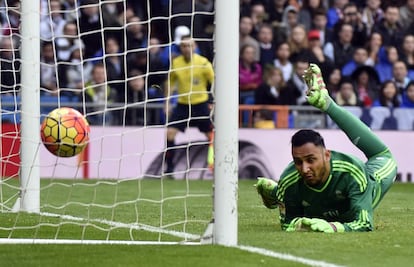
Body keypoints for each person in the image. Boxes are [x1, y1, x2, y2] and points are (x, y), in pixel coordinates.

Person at [255, 63, 397, 232]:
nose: (305, 168)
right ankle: (276, 194)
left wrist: (333, 227)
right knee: (287, 191)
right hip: (314, 202)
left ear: (327, 155)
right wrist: (299, 225)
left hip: (368, 186)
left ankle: (328, 104)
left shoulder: (351, 171)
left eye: (311, 160)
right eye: (298, 162)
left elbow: (364, 223)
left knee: (384, 156)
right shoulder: (289, 179)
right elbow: (288, 224)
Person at [163, 35, 214, 175]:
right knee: (169, 133)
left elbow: (214, 82)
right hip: (183, 105)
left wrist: (214, 101)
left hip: (200, 104)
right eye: (184, 46)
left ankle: (214, 166)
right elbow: (170, 83)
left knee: (211, 136)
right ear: (180, 48)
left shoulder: (203, 63)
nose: (186, 48)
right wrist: (166, 103)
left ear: (195, 47)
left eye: (189, 45)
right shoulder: (176, 63)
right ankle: (169, 168)